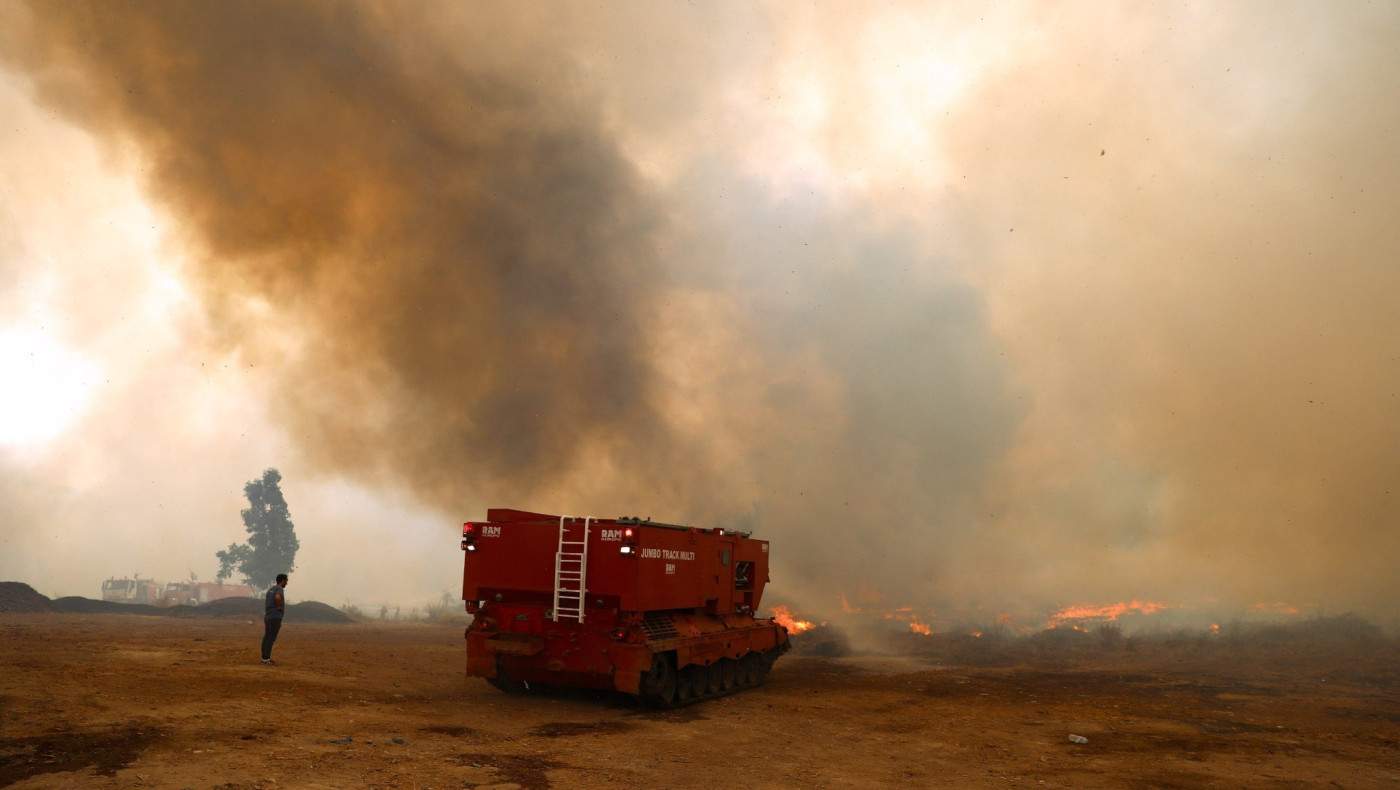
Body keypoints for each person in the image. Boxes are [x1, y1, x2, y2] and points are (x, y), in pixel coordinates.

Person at [261, 573, 288, 665]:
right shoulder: (279, 589)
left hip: (268, 616)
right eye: (286, 581)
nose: (287, 583)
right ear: (283, 581)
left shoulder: (270, 590)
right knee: (271, 638)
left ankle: (264, 657)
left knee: (266, 637)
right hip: (275, 617)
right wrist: (280, 606)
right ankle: (266, 659)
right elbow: (277, 597)